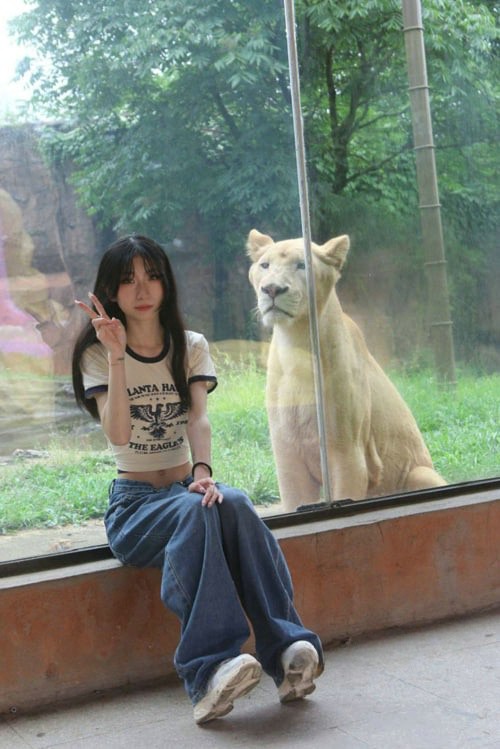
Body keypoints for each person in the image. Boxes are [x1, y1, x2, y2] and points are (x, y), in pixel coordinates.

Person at [72, 234, 323, 724]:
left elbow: (198, 419)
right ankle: (208, 672)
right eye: (128, 280)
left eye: (152, 277)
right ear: (111, 290)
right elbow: (118, 433)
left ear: (166, 283)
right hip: (135, 508)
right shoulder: (98, 354)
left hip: (185, 488)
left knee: (235, 502)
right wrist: (118, 355)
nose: (142, 290)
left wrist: (203, 473)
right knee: (197, 511)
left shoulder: (190, 346)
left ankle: (287, 647)